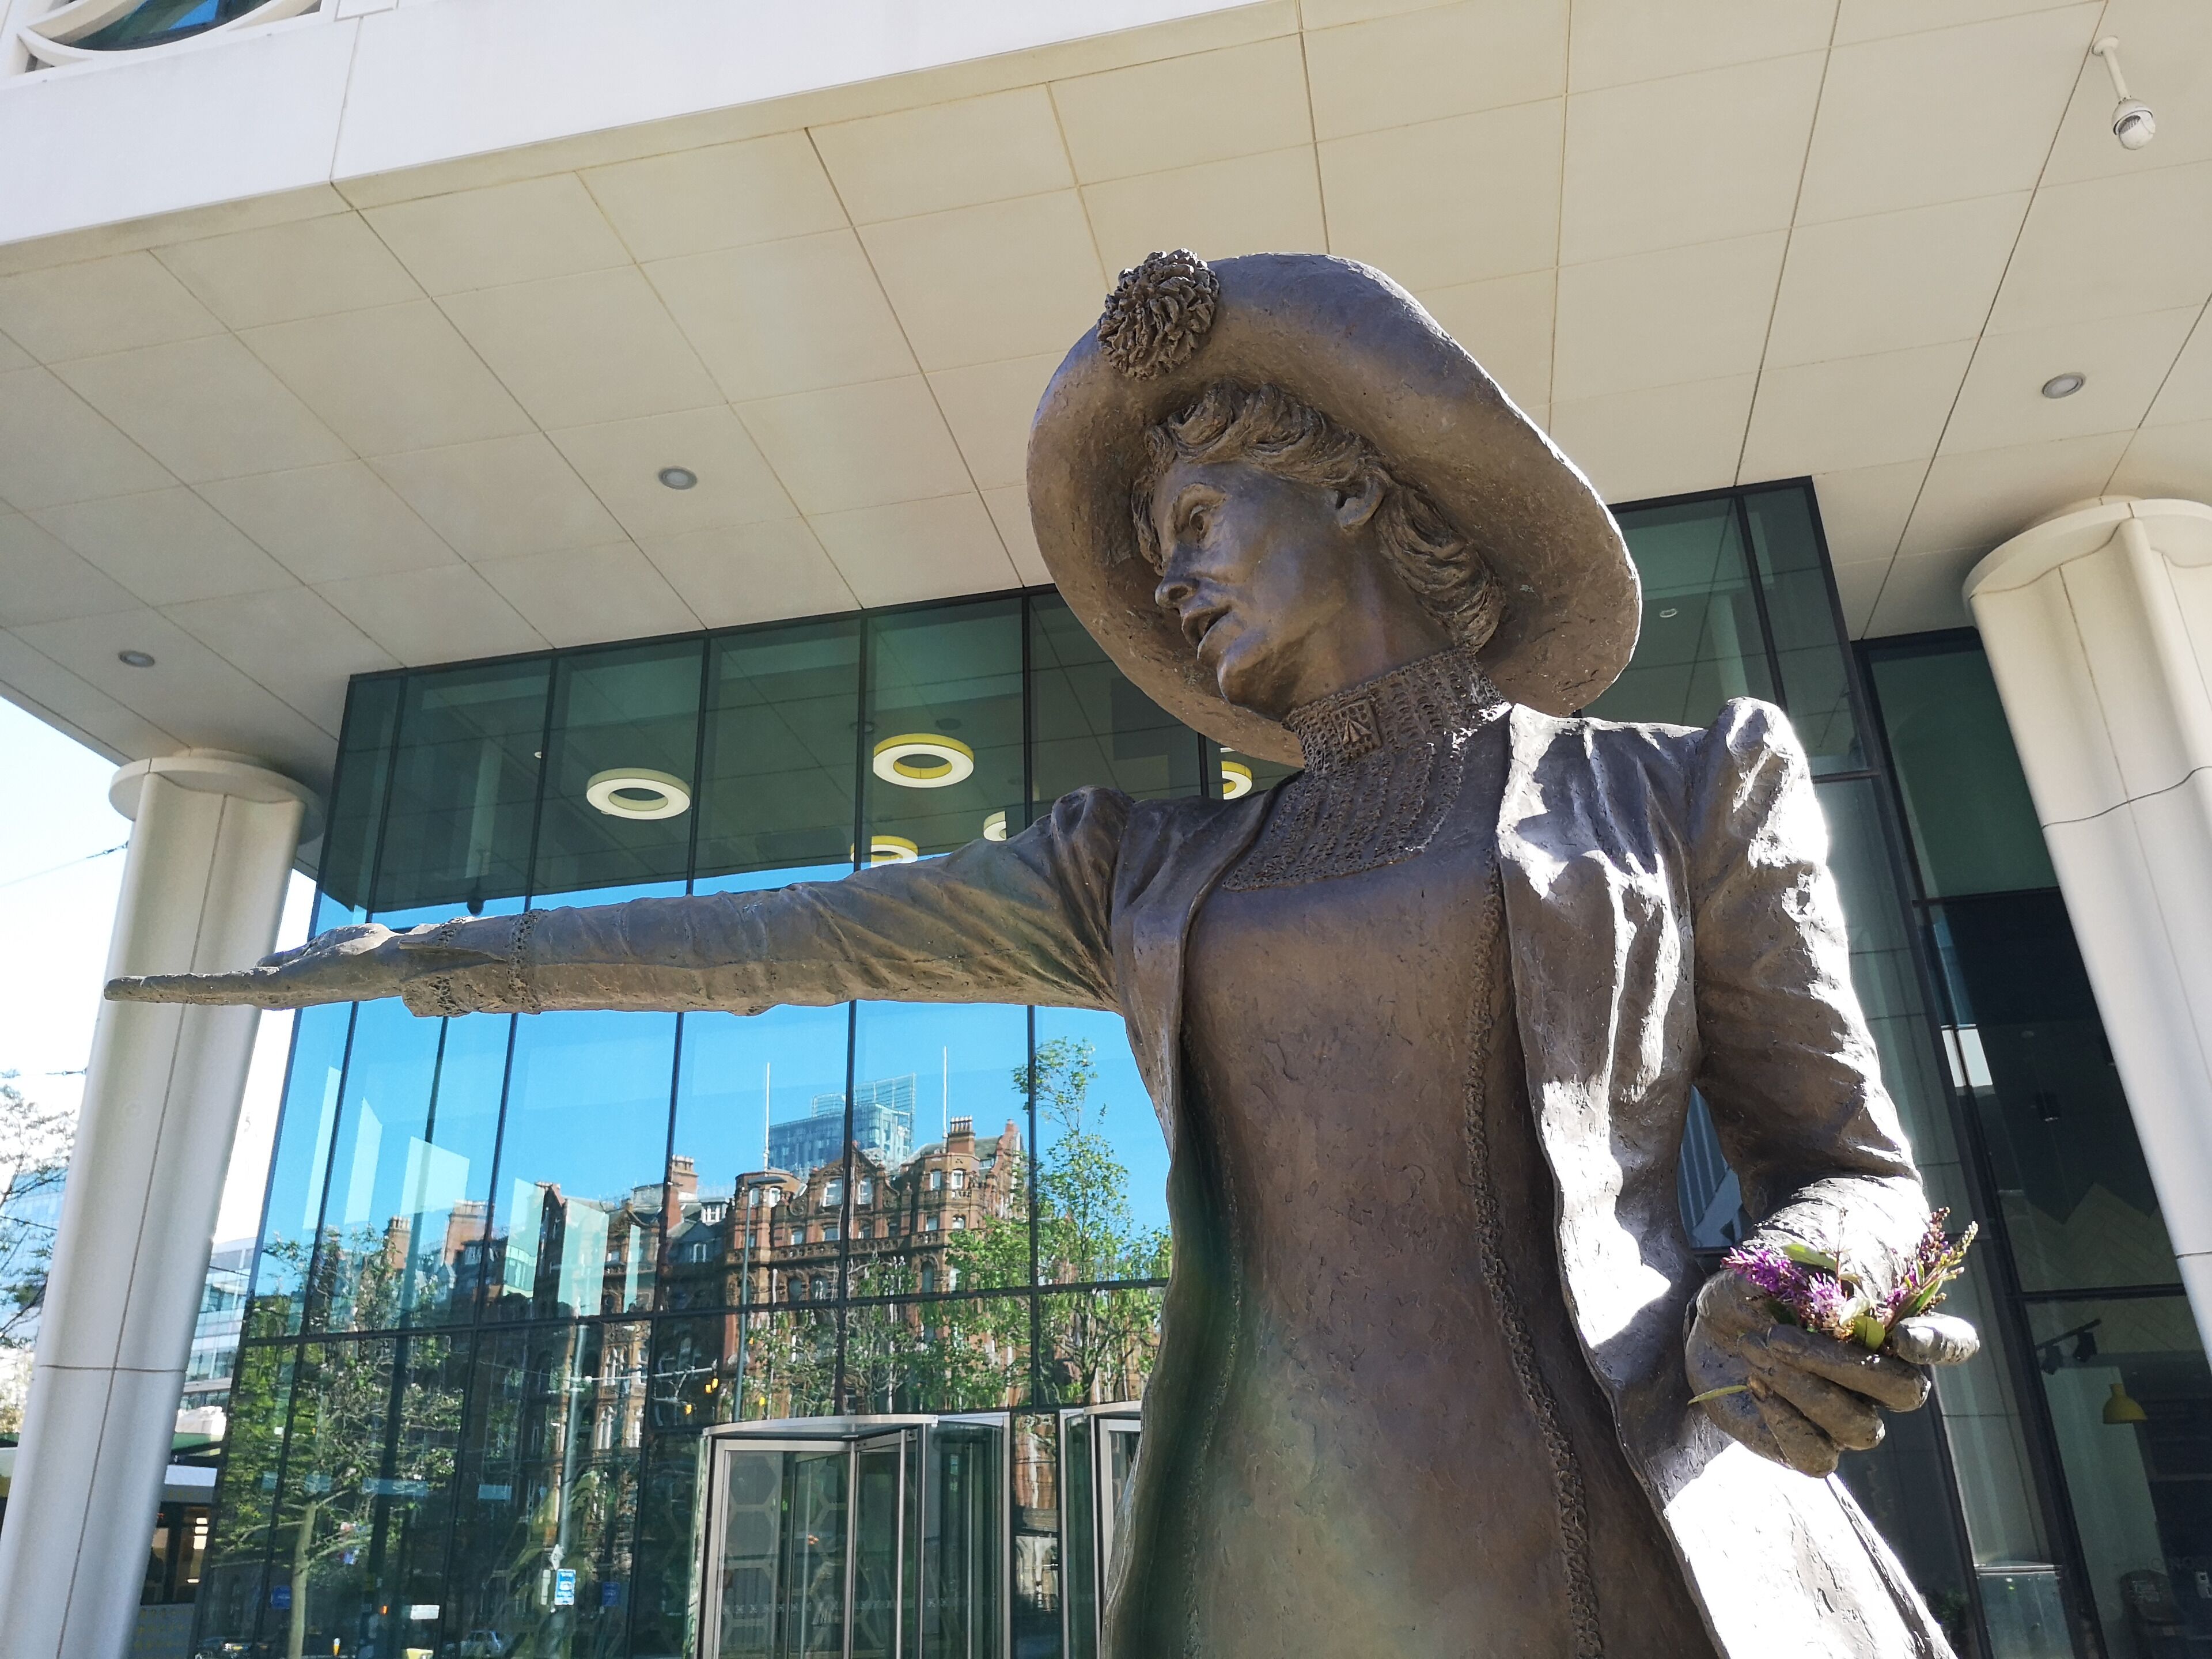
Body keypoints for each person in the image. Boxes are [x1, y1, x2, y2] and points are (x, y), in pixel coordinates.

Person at [114, 251, 1975, 1659]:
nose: (1166, 582)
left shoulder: (1682, 790)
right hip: (1285, 1570)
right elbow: (774, 937)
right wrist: (444, 958)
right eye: (1154, 549)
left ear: (1346, 482)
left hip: (1645, 1527)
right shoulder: (1142, 873)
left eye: (1190, 521)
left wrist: (1810, 1290)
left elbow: (1852, 1166)